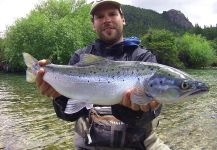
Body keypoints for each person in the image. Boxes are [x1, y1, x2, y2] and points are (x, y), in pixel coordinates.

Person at [36, 0, 171, 149]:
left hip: (139, 144)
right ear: (93, 24)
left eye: (112, 14)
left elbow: (152, 113)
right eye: (100, 17)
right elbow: (69, 115)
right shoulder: (81, 56)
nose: (107, 20)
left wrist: (130, 110)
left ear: (123, 19)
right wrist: (60, 97)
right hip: (90, 143)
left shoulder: (143, 59)